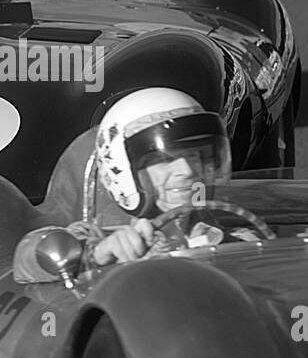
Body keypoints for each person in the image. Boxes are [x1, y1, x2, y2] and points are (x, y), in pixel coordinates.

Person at [75, 88, 265, 265]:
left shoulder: (233, 232)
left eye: (193, 155)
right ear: (124, 170)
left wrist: (227, 246)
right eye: (164, 159)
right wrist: (98, 254)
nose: (188, 170)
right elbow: (48, 251)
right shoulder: (102, 236)